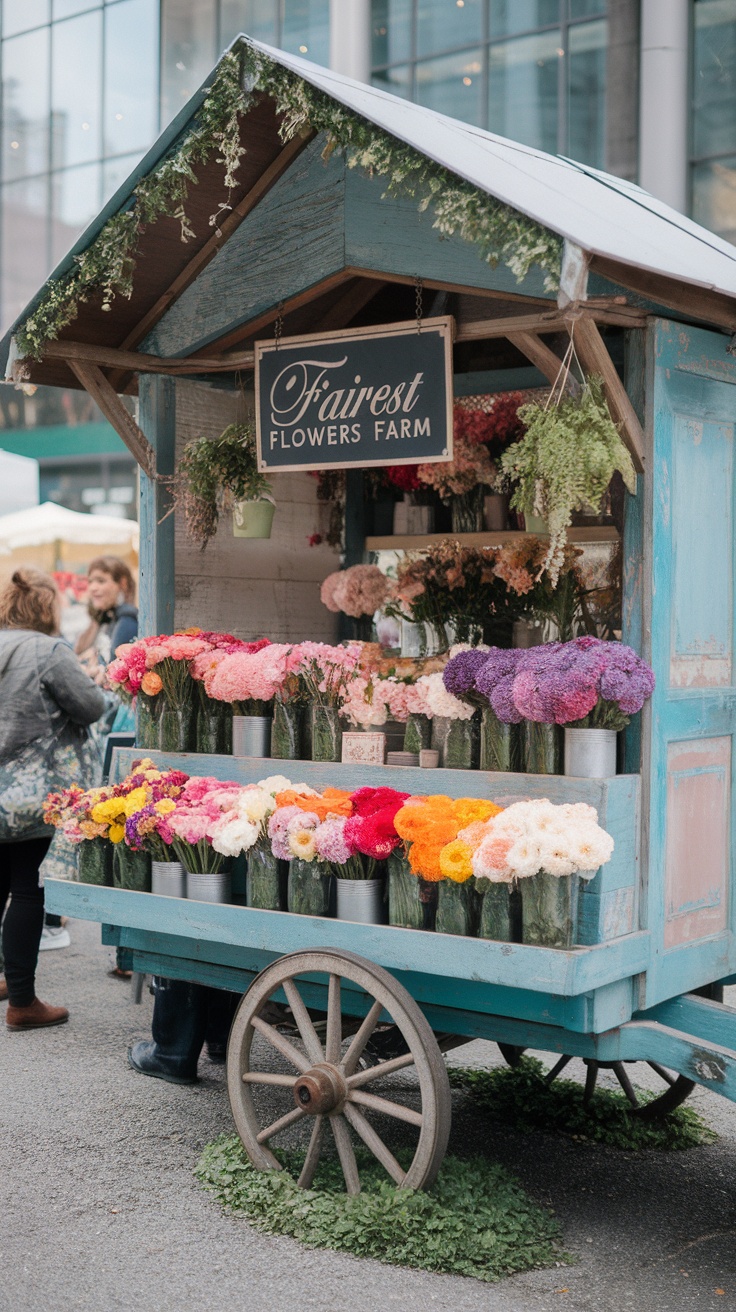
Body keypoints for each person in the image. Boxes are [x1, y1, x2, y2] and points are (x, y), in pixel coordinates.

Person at [0, 568, 106, 1030]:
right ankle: (22, 1002)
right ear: (47, 607)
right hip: (30, 794)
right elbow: (90, 707)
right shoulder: (48, 650)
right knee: (27, 888)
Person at [75, 555, 138, 672]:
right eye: (90, 581)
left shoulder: (127, 620)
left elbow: (116, 676)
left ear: (122, 584)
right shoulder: (106, 617)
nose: (93, 587)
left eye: (101, 581)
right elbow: (78, 651)